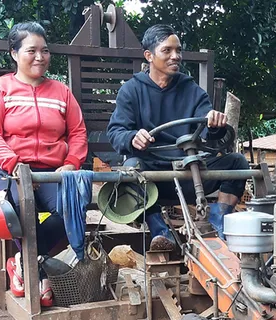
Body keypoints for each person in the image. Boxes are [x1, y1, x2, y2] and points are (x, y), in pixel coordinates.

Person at [107, 24, 249, 251]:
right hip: (151, 178)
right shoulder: (131, 90)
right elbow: (116, 132)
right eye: (167, 50)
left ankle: (217, 226)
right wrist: (132, 137)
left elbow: (208, 133)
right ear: (149, 56)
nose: (176, 56)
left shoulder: (192, 90)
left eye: (178, 50)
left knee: (237, 163)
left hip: (190, 172)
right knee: (131, 167)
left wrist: (214, 125)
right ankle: (161, 234)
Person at [0, 22, 88, 306]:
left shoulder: (61, 92)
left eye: (45, 51)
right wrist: (13, 163)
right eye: (31, 51)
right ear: (14, 54)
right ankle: (40, 272)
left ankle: (23, 263)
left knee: (72, 209)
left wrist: (71, 163)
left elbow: (78, 132)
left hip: (52, 172)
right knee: (17, 211)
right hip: (9, 170)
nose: (40, 57)